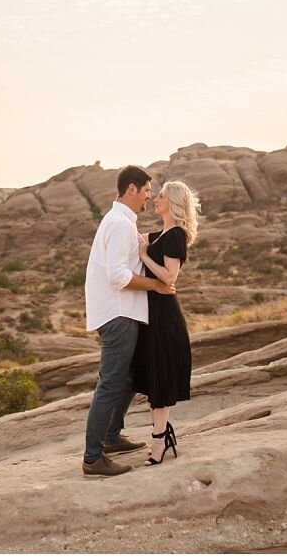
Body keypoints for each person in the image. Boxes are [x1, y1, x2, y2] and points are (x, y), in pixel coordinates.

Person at [82, 166, 176, 477]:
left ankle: (110, 437)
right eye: (148, 190)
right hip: (118, 313)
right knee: (111, 383)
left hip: (121, 311)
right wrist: (157, 286)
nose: (150, 196)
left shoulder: (121, 221)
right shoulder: (120, 224)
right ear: (132, 189)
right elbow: (117, 275)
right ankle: (93, 457)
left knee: (126, 379)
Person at [131, 180, 200, 465]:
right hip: (153, 314)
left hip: (164, 316)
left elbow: (170, 278)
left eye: (159, 196)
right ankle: (162, 434)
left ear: (171, 202)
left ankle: (159, 442)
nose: (155, 199)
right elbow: (134, 236)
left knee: (160, 382)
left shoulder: (176, 236)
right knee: (153, 380)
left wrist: (145, 255)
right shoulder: (162, 234)